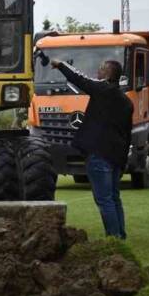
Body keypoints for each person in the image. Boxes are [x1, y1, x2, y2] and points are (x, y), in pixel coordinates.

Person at [39, 50, 134, 239]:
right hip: (116, 157)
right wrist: (123, 160)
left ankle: (113, 237)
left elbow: (79, 79)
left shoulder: (102, 90)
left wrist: (60, 64)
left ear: (107, 74)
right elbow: (126, 134)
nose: (97, 73)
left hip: (100, 155)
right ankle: (120, 235)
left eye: (100, 70)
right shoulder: (126, 102)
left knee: (104, 199)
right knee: (114, 198)